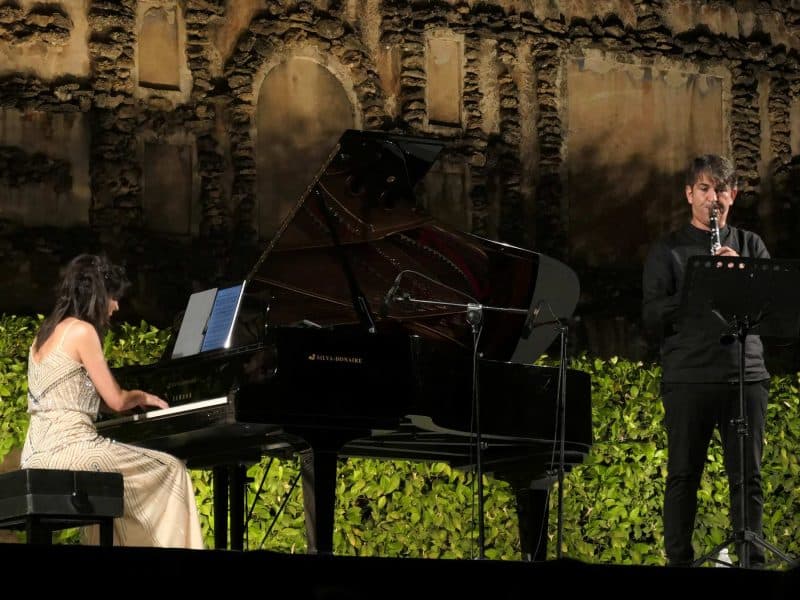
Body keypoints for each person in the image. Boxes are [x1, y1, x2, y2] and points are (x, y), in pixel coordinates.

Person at [20, 253, 204, 549]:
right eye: (113, 297)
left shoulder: (43, 335)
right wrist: (142, 396)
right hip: (72, 451)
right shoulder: (83, 331)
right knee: (172, 469)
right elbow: (117, 401)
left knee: (114, 494)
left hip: (36, 452)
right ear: (97, 295)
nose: (116, 305)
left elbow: (73, 393)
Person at [642, 154, 771, 568]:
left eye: (721, 189)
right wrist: (702, 280)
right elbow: (651, 314)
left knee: (747, 478)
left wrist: (741, 274)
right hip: (689, 377)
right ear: (688, 194)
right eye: (703, 188)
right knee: (683, 476)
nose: (712, 197)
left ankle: (751, 560)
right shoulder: (668, 249)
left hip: (743, 375)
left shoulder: (751, 245)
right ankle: (679, 562)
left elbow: (773, 306)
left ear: (732, 196)